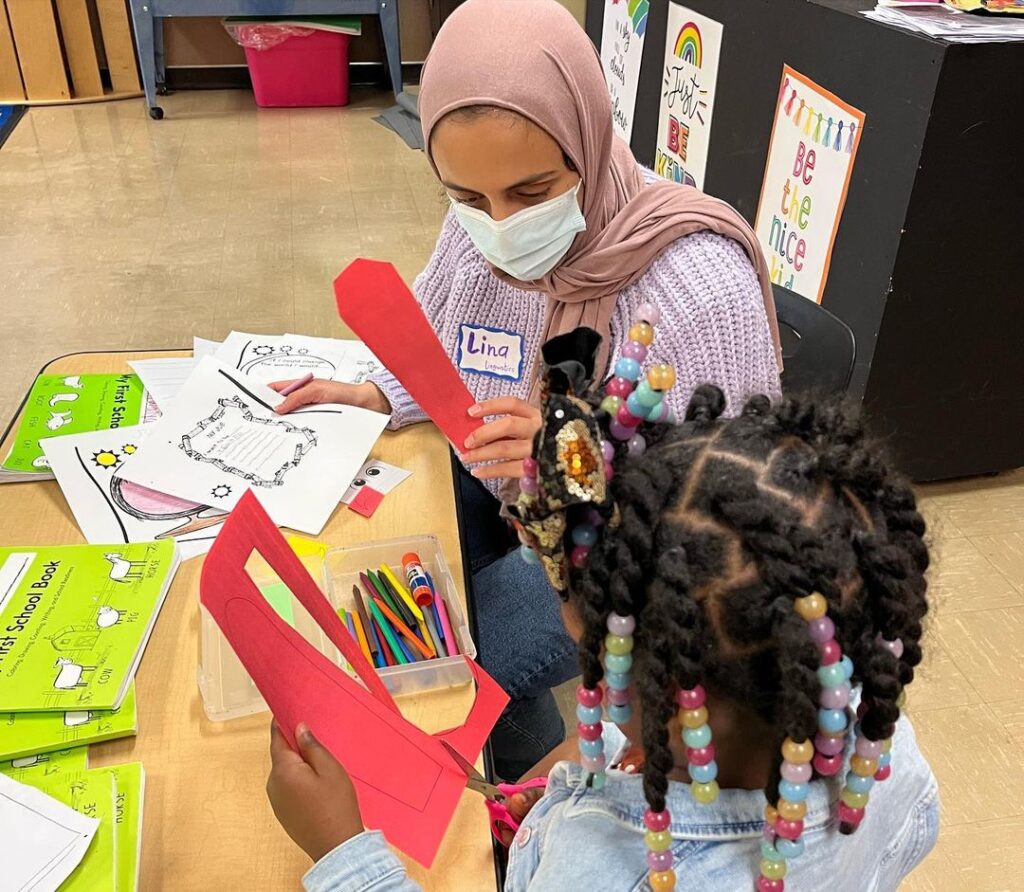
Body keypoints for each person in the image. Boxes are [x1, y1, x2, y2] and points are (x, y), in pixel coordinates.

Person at [272, 0, 783, 779]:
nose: (501, 226)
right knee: (398, 592)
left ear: (588, 139)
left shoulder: (697, 289)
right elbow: (440, 339)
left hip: (617, 561)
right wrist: (377, 389)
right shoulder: (475, 229)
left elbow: (722, 530)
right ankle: (508, 777)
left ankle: (504, 795)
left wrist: (573, 471)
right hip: (511, 504)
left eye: (533, 190)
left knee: (443, 666)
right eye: (468, 198)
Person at [263, 329, 938, 892]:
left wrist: (343, 853)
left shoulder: (603, 872)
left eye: (589, 649)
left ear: (664, 700)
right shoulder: (878, 740)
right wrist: (583, 778)